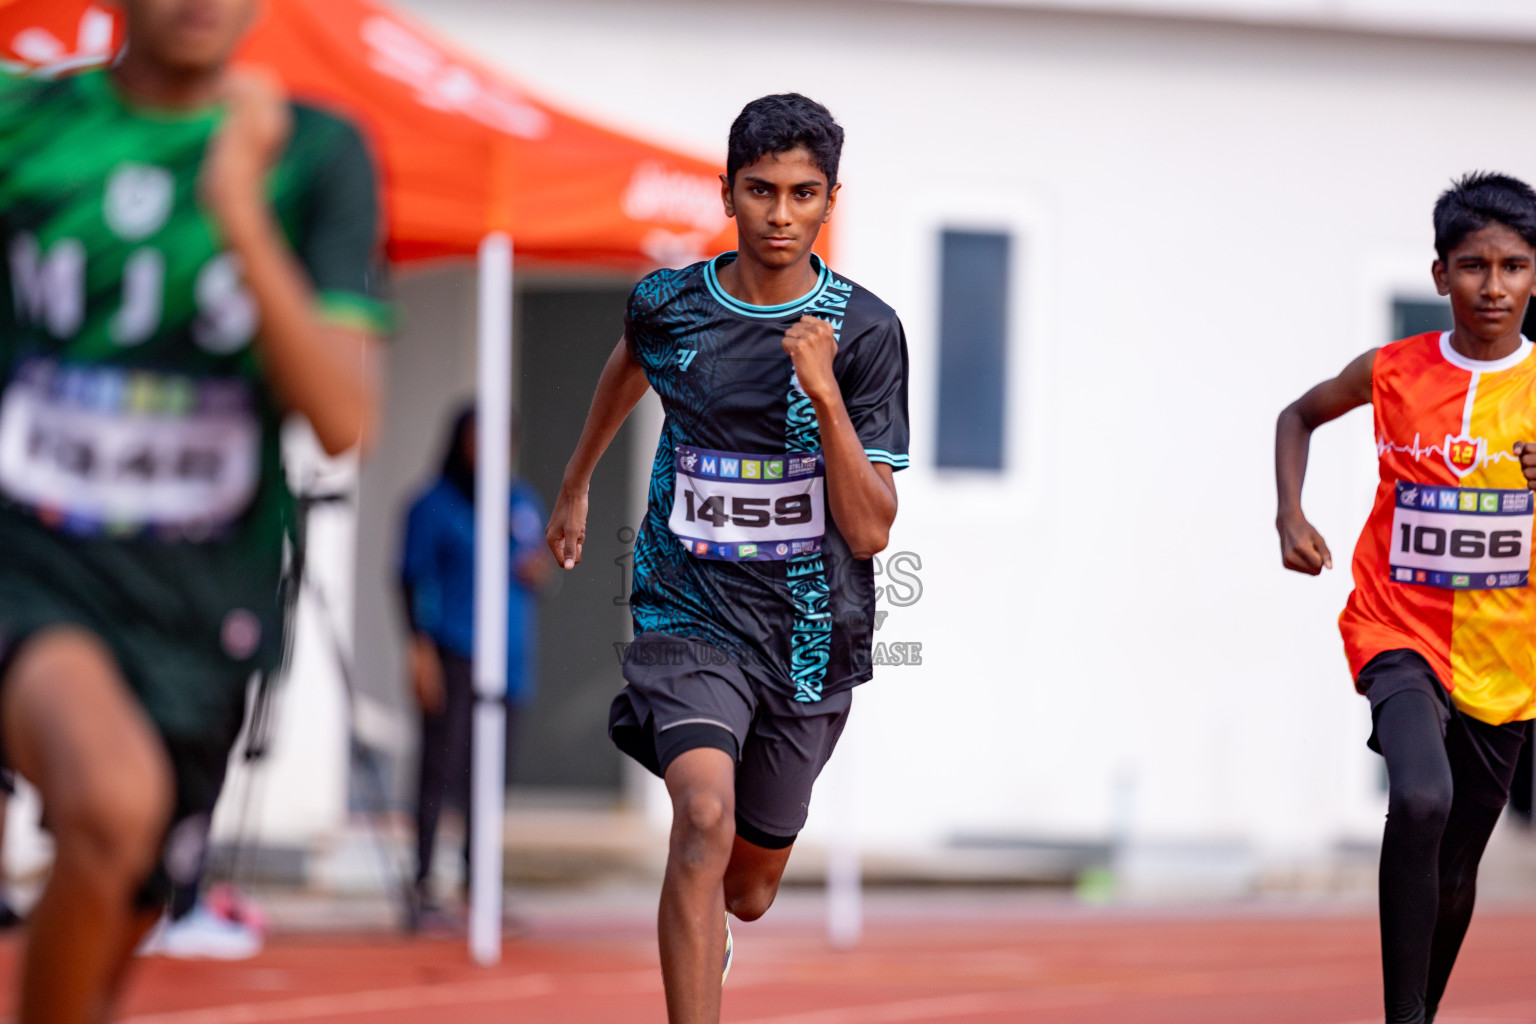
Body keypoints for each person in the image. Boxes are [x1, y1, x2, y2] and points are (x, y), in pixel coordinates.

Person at [0, 0, 389, 1018]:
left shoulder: (314, 154)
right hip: (34, 558)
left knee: (124, 896)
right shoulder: (26, 123)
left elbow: (343, 417)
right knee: (107, 803)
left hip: (208, 597)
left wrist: (239, 208)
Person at [546, 93, 909, 1024]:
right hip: (685, 610)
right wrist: (578, 478)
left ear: (830, 199)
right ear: (726, 193)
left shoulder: (864, 333)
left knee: (745, 885)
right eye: (759, 191)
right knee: (701, 816)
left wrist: (822, 394)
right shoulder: (669, 302)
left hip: (808, 632)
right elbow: (632, 359)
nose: (779, 215)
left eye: (802, 193)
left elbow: (870, 532)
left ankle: (714, 918)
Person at [1276, 172, 1536, 1024]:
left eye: (1512, 266)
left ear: (1535, 274)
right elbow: (1298, 416)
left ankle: (1418, 1008)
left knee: (1459, 861)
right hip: (1396, 628)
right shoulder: (1394, 371)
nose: (1492, 287)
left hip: (1507, 659)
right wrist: (1291, 515)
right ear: (1439, 275)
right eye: (1472, 266)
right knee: (1422, 796)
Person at [400, 405, 548, 927]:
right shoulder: (432, 506)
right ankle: (422, 879)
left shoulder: (521, 500)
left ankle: (478, 876)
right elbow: (412, 581)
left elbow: (536, 566)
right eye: (477, 439)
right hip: (453, 650)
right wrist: (419, 653)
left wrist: (537, 569)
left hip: (509, 658)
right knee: (441, 769)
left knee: (492, 773)